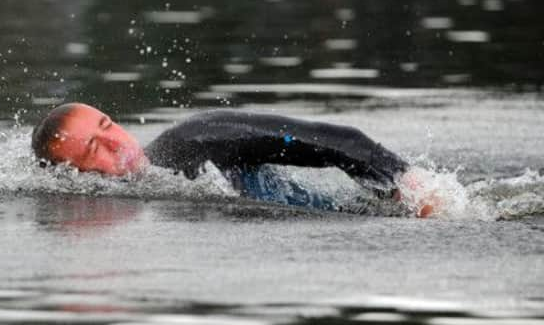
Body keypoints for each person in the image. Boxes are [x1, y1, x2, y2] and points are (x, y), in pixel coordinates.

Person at [32, 103, 439, 217]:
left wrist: (409, 183)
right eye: (92, 149)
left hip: (384, 214)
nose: (116, 143)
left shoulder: (191, 142)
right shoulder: (109, 205)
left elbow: (341, 140)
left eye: (107, 125)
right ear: (70, 177)